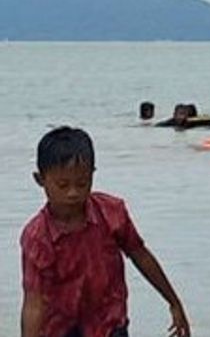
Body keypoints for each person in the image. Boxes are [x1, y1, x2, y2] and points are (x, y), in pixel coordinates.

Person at [20, 127, 190, 337]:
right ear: (40, 180)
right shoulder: (37, 237)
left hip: (111, 325)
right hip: (61, 330)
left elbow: (141, 255)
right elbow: (34, 302)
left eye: (82, 183)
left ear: (93, 174)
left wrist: (173, 302)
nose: (73, 193)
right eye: (62, 185)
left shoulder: (112, 213)